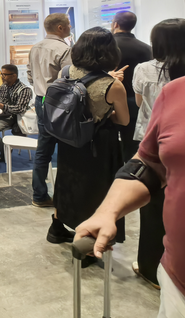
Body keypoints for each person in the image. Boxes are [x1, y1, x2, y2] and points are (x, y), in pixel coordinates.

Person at [76, 0, 185, 318]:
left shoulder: (141, 71)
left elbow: (136, 107)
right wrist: (108, 210)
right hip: (183, 298)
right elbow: (149, 164)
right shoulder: (178, 92)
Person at [130, 18, 185, 288]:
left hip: (153, 143)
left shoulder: (144, 69)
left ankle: (151, 268)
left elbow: (140, 102)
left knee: (152, 207)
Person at [49, 27, 130, 254]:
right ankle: (88, 242)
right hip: (97, 145)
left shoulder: (65, 72)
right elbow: (123, 120)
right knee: (94, 191)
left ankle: (57, 227)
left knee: (67, 182)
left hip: (68, 139)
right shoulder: (113, 85)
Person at [26, 13, 72, 207]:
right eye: (68, 24)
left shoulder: (35, 47)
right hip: (60, 103)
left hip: (41, 99)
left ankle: (39, 195)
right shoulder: (64, 49)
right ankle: (65, 196)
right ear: (60, 27)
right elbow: (69, 79)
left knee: (43, 149)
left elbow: (29, 74)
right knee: (67, 148)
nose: (70, 27)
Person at [112, 11, 152, 160]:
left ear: (115, 24)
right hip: (135, 103)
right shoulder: (146, 48)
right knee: (132, 147)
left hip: (110, 103)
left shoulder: (105, 47)